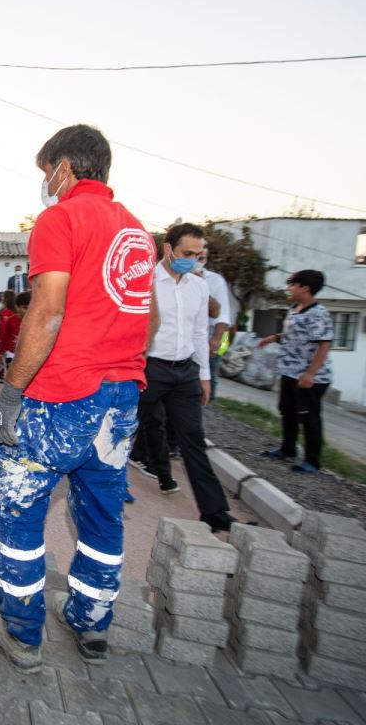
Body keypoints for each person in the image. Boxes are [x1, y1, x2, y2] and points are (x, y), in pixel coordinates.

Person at [0, 124, 155, 673]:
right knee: (103, 515)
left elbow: (48, 309)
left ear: (64, 167)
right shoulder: (137, 231)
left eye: (46, 173)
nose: (45, 184)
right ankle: (90, 623)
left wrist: (12, 393)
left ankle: (22, 633)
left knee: (17, 509)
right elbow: (147, 318)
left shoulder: (60, 219)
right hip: (120, 402)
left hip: (61, 398)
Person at [131, 224, 239, 531]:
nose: (192, 260)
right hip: (150, 368)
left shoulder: (198, 286)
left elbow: (198, 332)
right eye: (186, 253)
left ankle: (216, 513)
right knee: (125, 429)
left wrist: (204, 375)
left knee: (193, 440)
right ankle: (107, 490)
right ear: (168, 248)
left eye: (197, 255)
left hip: (185, 372)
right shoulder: (146, 281)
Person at [257, 269, 334, 474]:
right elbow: (296, 336)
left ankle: (312, 461)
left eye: (293, 285)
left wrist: (310, 374)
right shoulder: (296, 308)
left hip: (309, 376)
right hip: (290, 371)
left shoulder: (318, 313)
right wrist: (274, 338)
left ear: (305, 288)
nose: (289, 289)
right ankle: (287, 448)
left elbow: (324, 345)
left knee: (308, 416)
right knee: (287, 410)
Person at [195, 248, 232, 401]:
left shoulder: (216, 280)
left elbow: (222, 314)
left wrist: (216, 339)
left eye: (202, 258)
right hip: (189, 332)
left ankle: (208, 400)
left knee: (211, 370)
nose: (197, 261)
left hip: (216, 334)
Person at [0, 290, 21, 384]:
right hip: (1, 338)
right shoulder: (4, 311)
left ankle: (1, 376)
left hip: (4, 339)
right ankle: (3, 376)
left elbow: (5, 328)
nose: (2, 298)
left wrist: (0, 338)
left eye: (3, 296)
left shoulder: (7, 312)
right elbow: (1, 325)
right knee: (2, 358)